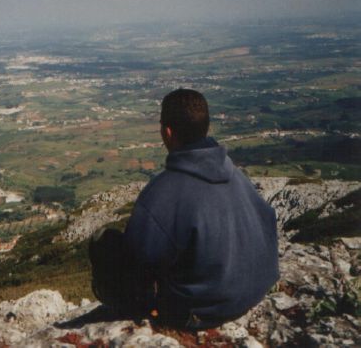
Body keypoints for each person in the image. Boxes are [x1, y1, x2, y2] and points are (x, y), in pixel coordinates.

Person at [90, 89, 279, 330]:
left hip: (199, 312)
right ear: (205, 127)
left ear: (167, 132)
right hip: (254, 293)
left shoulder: (162, 192)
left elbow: (139, 259)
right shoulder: (237, 175)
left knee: (103, 243)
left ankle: (128, 313)